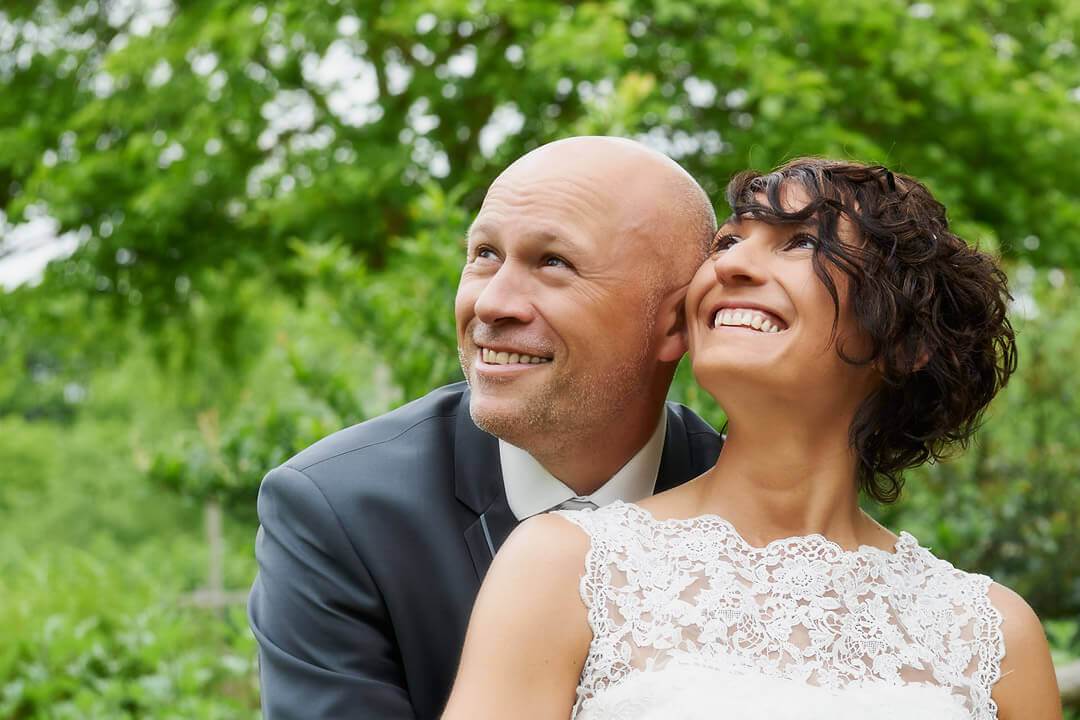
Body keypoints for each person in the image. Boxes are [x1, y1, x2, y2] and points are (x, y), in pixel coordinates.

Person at [443, 158, 1063, 719]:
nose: (732, 264)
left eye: (799, 243)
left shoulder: (994, 636)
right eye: (729, 241)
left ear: (904, 343)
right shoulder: (564, 565)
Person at [247, 136, 724, 719]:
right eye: (484, 255)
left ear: (675, 322)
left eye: (553, 263)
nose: (492, 304)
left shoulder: (747, 507)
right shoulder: (337, 511)